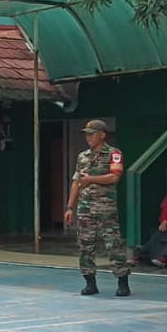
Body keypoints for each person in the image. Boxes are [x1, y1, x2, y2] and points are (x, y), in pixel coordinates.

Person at [64, 119, 130, 297]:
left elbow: (114, 177)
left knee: (113, 245)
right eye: (87, 134)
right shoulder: (82, 156)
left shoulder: (114, 154)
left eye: (92, 134)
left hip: (105, 208)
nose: (88, 137)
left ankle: (123, 281)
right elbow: (77, 182)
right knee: (85, 246)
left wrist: (91, 179)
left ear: (102, 134)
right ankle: (90, 282)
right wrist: (70, 207)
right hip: (85, 210)